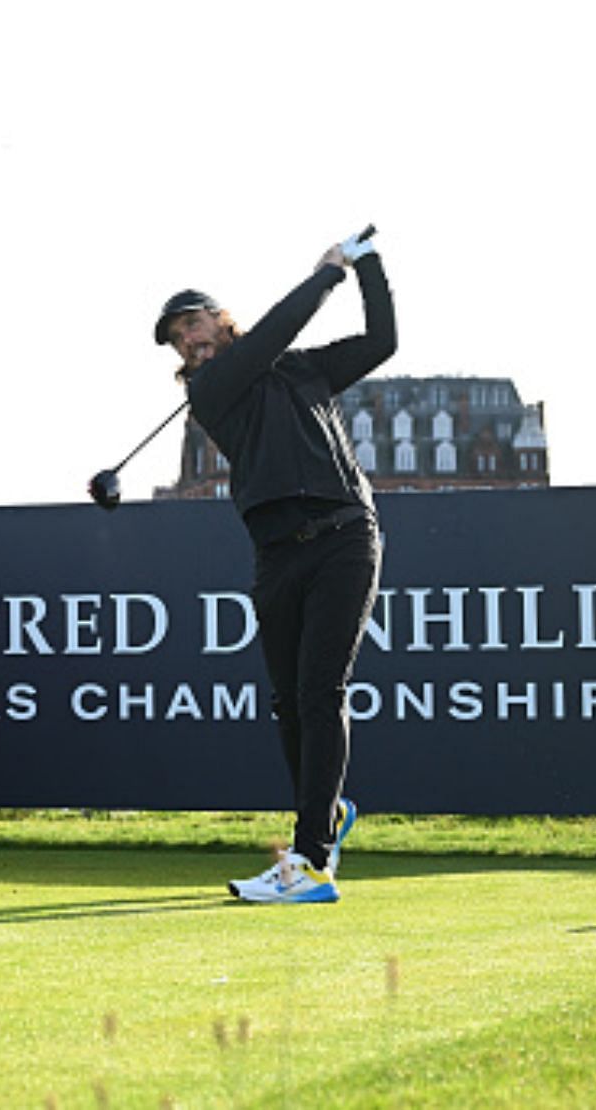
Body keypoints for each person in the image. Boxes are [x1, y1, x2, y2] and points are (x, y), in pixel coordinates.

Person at [154, 228, 394, 904]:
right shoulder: (212, 390)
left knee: (321, 693)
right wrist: (324, 275)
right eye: (177, 339)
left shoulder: (301, 370)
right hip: (277, 555)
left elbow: (383, 343)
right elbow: (270, 336)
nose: (188, 342)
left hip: (345, 535)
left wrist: (366, 267)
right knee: (289, 702)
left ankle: (313, 861)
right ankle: (324, 816)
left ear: (219, 317)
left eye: (193, 324)